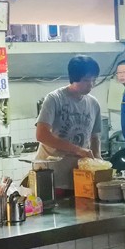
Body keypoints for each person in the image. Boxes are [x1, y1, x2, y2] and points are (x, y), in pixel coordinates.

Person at [35, 55, 103, 191]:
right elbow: (41, 135)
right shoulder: (54, 99)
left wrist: (98, 161)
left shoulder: (93, 103)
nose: (91, 84)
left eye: (93, 80)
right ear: (74, 78)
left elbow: (95, 137)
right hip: (52, 174)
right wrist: (77, 149)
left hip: (79, 174)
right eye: (86, 80)